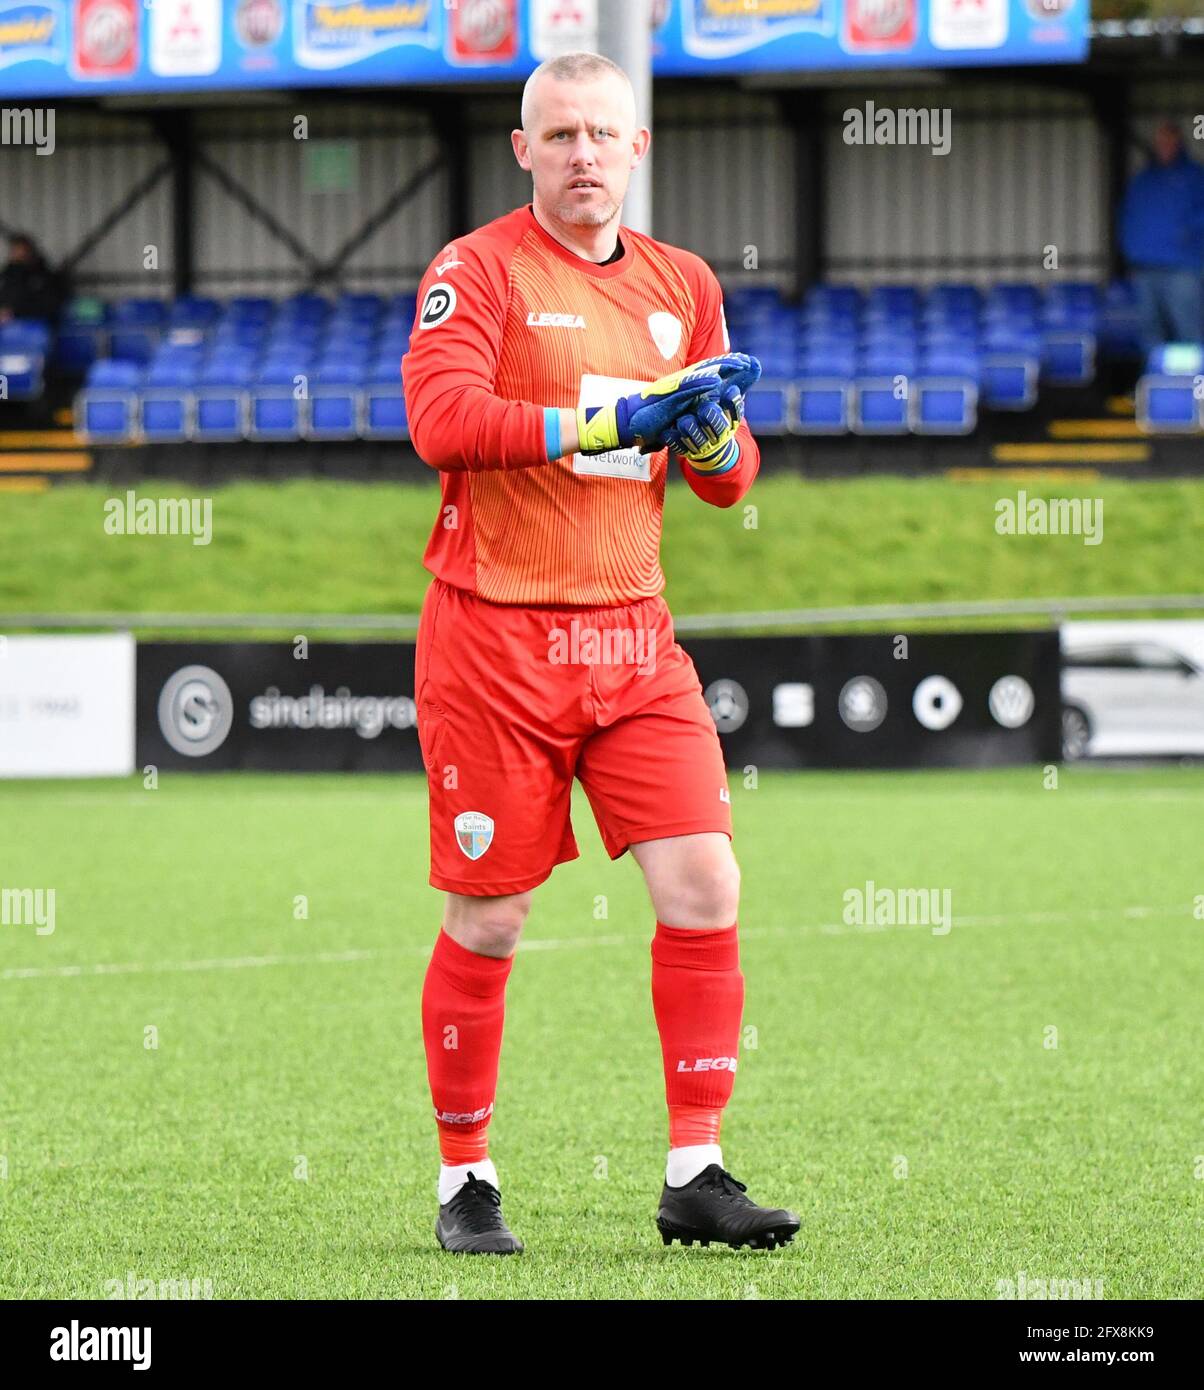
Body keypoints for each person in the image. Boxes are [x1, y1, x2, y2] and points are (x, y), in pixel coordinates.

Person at [402, 50, 799, 1255]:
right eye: (559, 134)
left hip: (635, 638)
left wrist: (712, 430)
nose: (583, 154)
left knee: (706, 884)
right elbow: (441, 422)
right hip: (493, 641)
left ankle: (697, 1168)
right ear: (522, 149)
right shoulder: (472, 271)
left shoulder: (683, 284)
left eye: (602, 135)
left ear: (638, 150)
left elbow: (729, 486)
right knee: (492, 919)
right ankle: (464, 1177)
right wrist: (614, 415)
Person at [1118, 121, 1204, 354]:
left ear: (1179, 142)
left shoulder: (1195, 177)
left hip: (1184, 268)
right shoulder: (1143, 180)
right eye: (1160, 142)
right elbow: (1128, 216)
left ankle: (1193, 385)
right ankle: (1154, 384)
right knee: (1149, 331)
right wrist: (1131, 250)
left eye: (1168, 141)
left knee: (1187, 329)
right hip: (1145, 268)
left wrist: (1186, 233)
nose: (1163, 147)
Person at [0, 233, 67, 324]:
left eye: (21, 251)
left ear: (30, 252)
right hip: (7, 324)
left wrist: (14, 312)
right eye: (15, 251)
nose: (17, 255)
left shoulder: (45, 277)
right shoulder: (7, 276)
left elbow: (49, 305)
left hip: (35, 323)